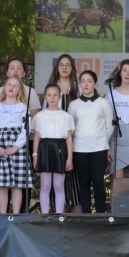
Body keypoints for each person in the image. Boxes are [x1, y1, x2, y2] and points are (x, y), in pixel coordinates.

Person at [0, 77, 34, 214]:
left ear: (19, 90)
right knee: (2, 185)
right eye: (9, 84)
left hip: (18, 146)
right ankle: (2, 215)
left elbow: (26, 128)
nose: (11, 87)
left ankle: (16, 214)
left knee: (17, 185)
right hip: (0, 144)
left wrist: (16, 146)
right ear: (4, 87)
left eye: (15, 85)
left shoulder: (24, 108)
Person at [68, 70, 113, 213]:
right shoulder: (73, 105)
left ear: (95, 83)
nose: (86, 84)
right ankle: (86, 215)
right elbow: (70, 128)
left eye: (89, 81)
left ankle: (101, 214)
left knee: (98, 182)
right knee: (84, 184)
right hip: (79, 149)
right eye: (83, 81)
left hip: (99, 148)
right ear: (79, 84)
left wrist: (103, 141)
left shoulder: (103, 103)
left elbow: (110, 124)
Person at [32, 84, 75, 214]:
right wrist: (35, 155)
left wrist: (70, 158)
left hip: (60, 149)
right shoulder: (39, 116)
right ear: (45, 97)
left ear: (59, 97)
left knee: (58, 185)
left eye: (55, 95)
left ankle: (59, 215)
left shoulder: (66, 116)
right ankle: (44, 215)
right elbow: (36, 137)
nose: (52, 98)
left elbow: (68, 138)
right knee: (45, 185)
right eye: (49, 95)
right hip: (45, 149)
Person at [46, 54, 81, 212]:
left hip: (76, 138)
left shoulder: (78, 87)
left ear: (72, 68)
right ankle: (59, 215)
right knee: (56, 180)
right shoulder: (51, 89)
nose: (65, 67)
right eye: (61, 64)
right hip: (56, 140)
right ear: (57, 68)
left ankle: (77, 216)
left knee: (74, 176)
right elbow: (44, 114)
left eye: (68, 64)